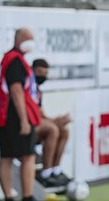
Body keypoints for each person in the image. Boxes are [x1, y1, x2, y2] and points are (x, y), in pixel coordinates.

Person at [0, 28, 41, 201]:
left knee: (7, 156)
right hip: (14, 116)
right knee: (26, 156)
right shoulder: (15, 61)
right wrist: (24, 121)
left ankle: (9, 196)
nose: (32, 42)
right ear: (19, 39)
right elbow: (16, 91)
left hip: (7, 116)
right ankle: (26, 196)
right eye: (29, 38)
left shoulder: (11, 59)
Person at [32, 59, 71, 187]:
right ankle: (46, 173)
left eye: (45, 73)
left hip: (36, 123)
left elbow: (41, 114)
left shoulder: (38, 90)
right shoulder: (27, 87)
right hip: (26, 126)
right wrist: (56, 121)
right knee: (53, 129)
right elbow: (33, 114)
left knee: (64, 130)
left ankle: (55, 169)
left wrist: (58, 120)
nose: (42, 76)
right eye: (39, 72)